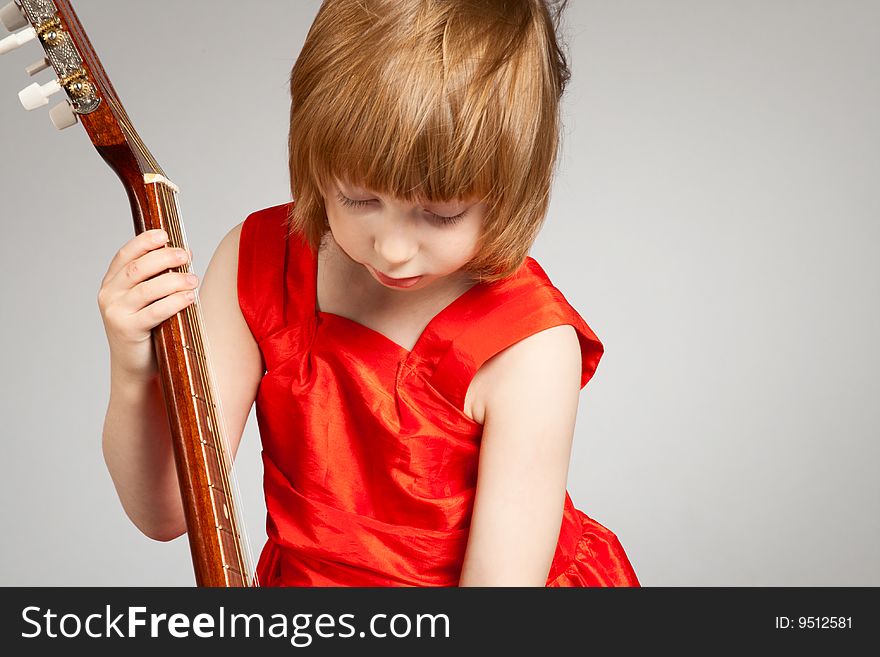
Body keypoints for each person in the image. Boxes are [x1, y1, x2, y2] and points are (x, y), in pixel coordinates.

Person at [98, 0, 640, 587]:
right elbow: (170, 512)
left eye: (440, 213)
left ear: (511, 189)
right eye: (359, 200)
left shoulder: (530, 347)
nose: (393, 249)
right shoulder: (256, 265)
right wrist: (134, 371)